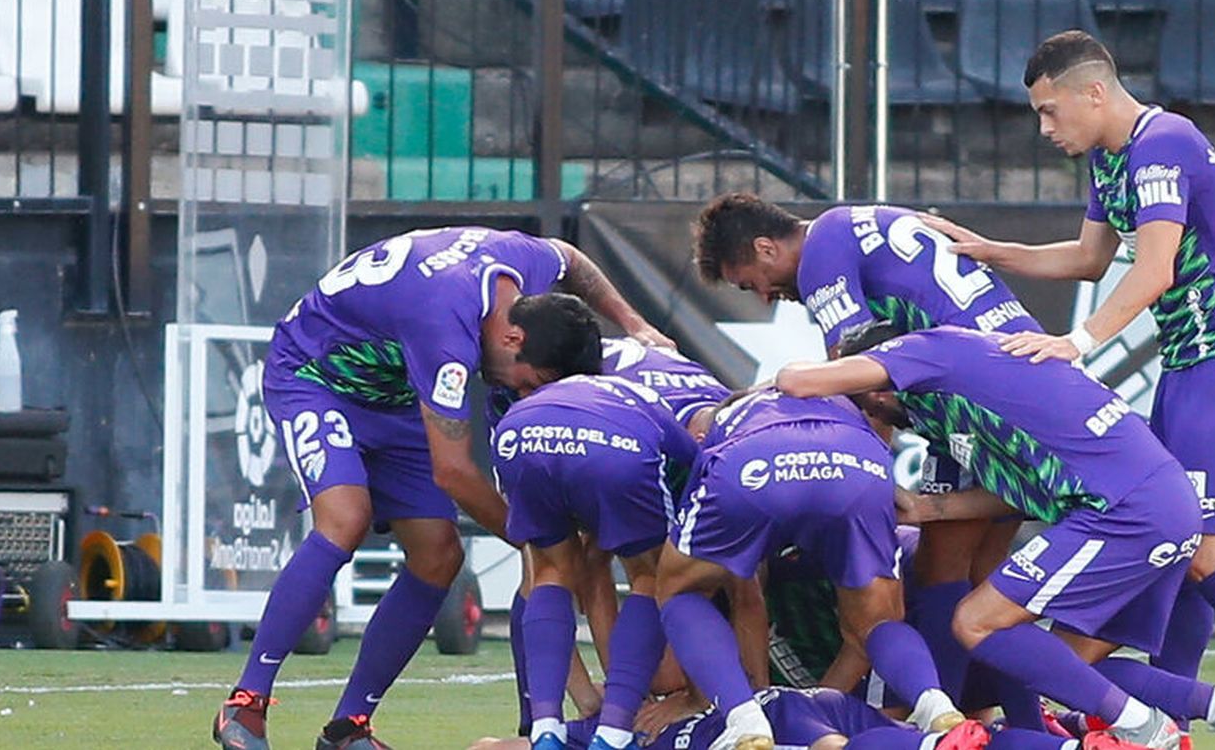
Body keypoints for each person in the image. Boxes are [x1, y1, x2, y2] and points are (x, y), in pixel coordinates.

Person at [919, 31, 1215, 750]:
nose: (1047, 128)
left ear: (1094, 92)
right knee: (1178, 544)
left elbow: (1156, 271)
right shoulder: (1112, 161)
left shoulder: (1162, 141)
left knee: (1204, 549)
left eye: (1051, 111)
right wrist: (991, 251)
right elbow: (1088, 260)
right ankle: (1177, 719)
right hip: (1189, 368)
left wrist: (1074, 344)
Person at [212, 226, 669, 750]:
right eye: (527, 383)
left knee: (439, 556)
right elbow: (452, 472)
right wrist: (536, 539)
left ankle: (349, 727)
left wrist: (638, 326)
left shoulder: (525, 272)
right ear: (513, 339)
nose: (519, 394)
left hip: (399, 392)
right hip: (317, 378)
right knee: (345, 518)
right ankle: (246, 703)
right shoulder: (445, 325)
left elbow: (572, 260)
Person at [775, 323, 1215, 750]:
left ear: (880, 385)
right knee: (1061, 669)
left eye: (868, 408)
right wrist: (932, 508)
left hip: (1126, 510)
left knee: (976, 623)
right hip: (1155, 502)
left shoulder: (925, 350)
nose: (877, 421)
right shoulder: (957, 402)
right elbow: (1019, 494)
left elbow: (796, 382)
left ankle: (1144, 729)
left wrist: (755, 400)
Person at [693, 196, 1039, 715]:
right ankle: (1021, 726)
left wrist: (763, 401)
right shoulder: (862, 224)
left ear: (765, 247)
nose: (764, 296)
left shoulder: (822, 252)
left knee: (943, 573)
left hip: (974, 394)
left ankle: (937, 730)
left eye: (750, 282)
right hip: (1024, 376)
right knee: (985, 583)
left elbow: (858, 373)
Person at [656, 387, 967, 750]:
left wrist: (757, 700)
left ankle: (743, 717)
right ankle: (935, 703)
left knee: (680, 592)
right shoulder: (836, 404)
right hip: (854, 467)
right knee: (877, 624)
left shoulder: (724, 428)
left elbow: (746, 596)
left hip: (752, 466)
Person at [493, 336, 732, 736]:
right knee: (654, 576)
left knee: (550, 570)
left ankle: (545, 726)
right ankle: (616, 727)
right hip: (615, 443)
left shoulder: (537, 387)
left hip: (519, 432)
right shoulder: (701, 437)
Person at [469, 685, 1150, 750]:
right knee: (899, 731)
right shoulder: (608, 729)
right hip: (819, 705)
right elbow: (486, 745)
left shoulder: (630, 723)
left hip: (775, 719)